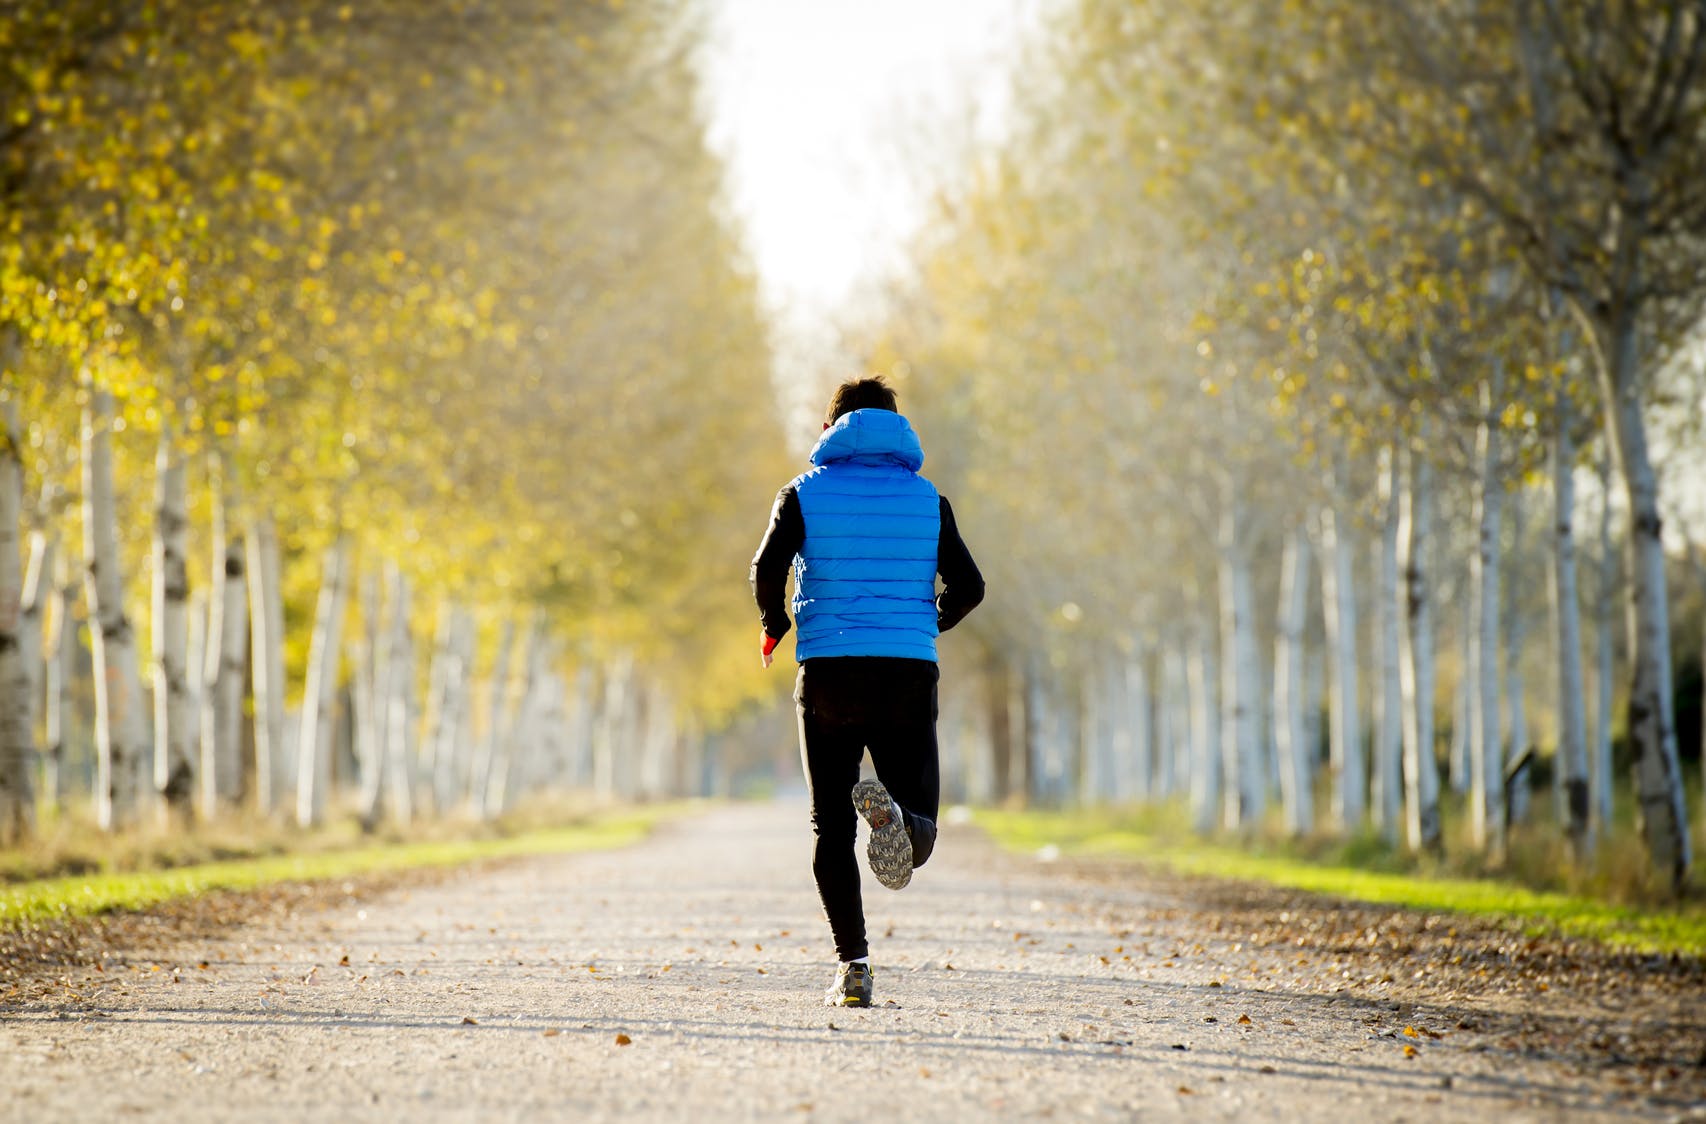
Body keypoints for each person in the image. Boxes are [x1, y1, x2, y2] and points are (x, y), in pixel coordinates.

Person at [750, 375, 984, 1008]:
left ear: (831, 429)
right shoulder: (928, 499)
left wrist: (776, 625)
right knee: (923, 829)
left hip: (828, 671)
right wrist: (924, 622)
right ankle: (903, 818)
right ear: (896, 428)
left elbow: (767, 568)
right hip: (906, 671)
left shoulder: (802, 493)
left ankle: (853, 967)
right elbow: (970, 587)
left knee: (830, 829)